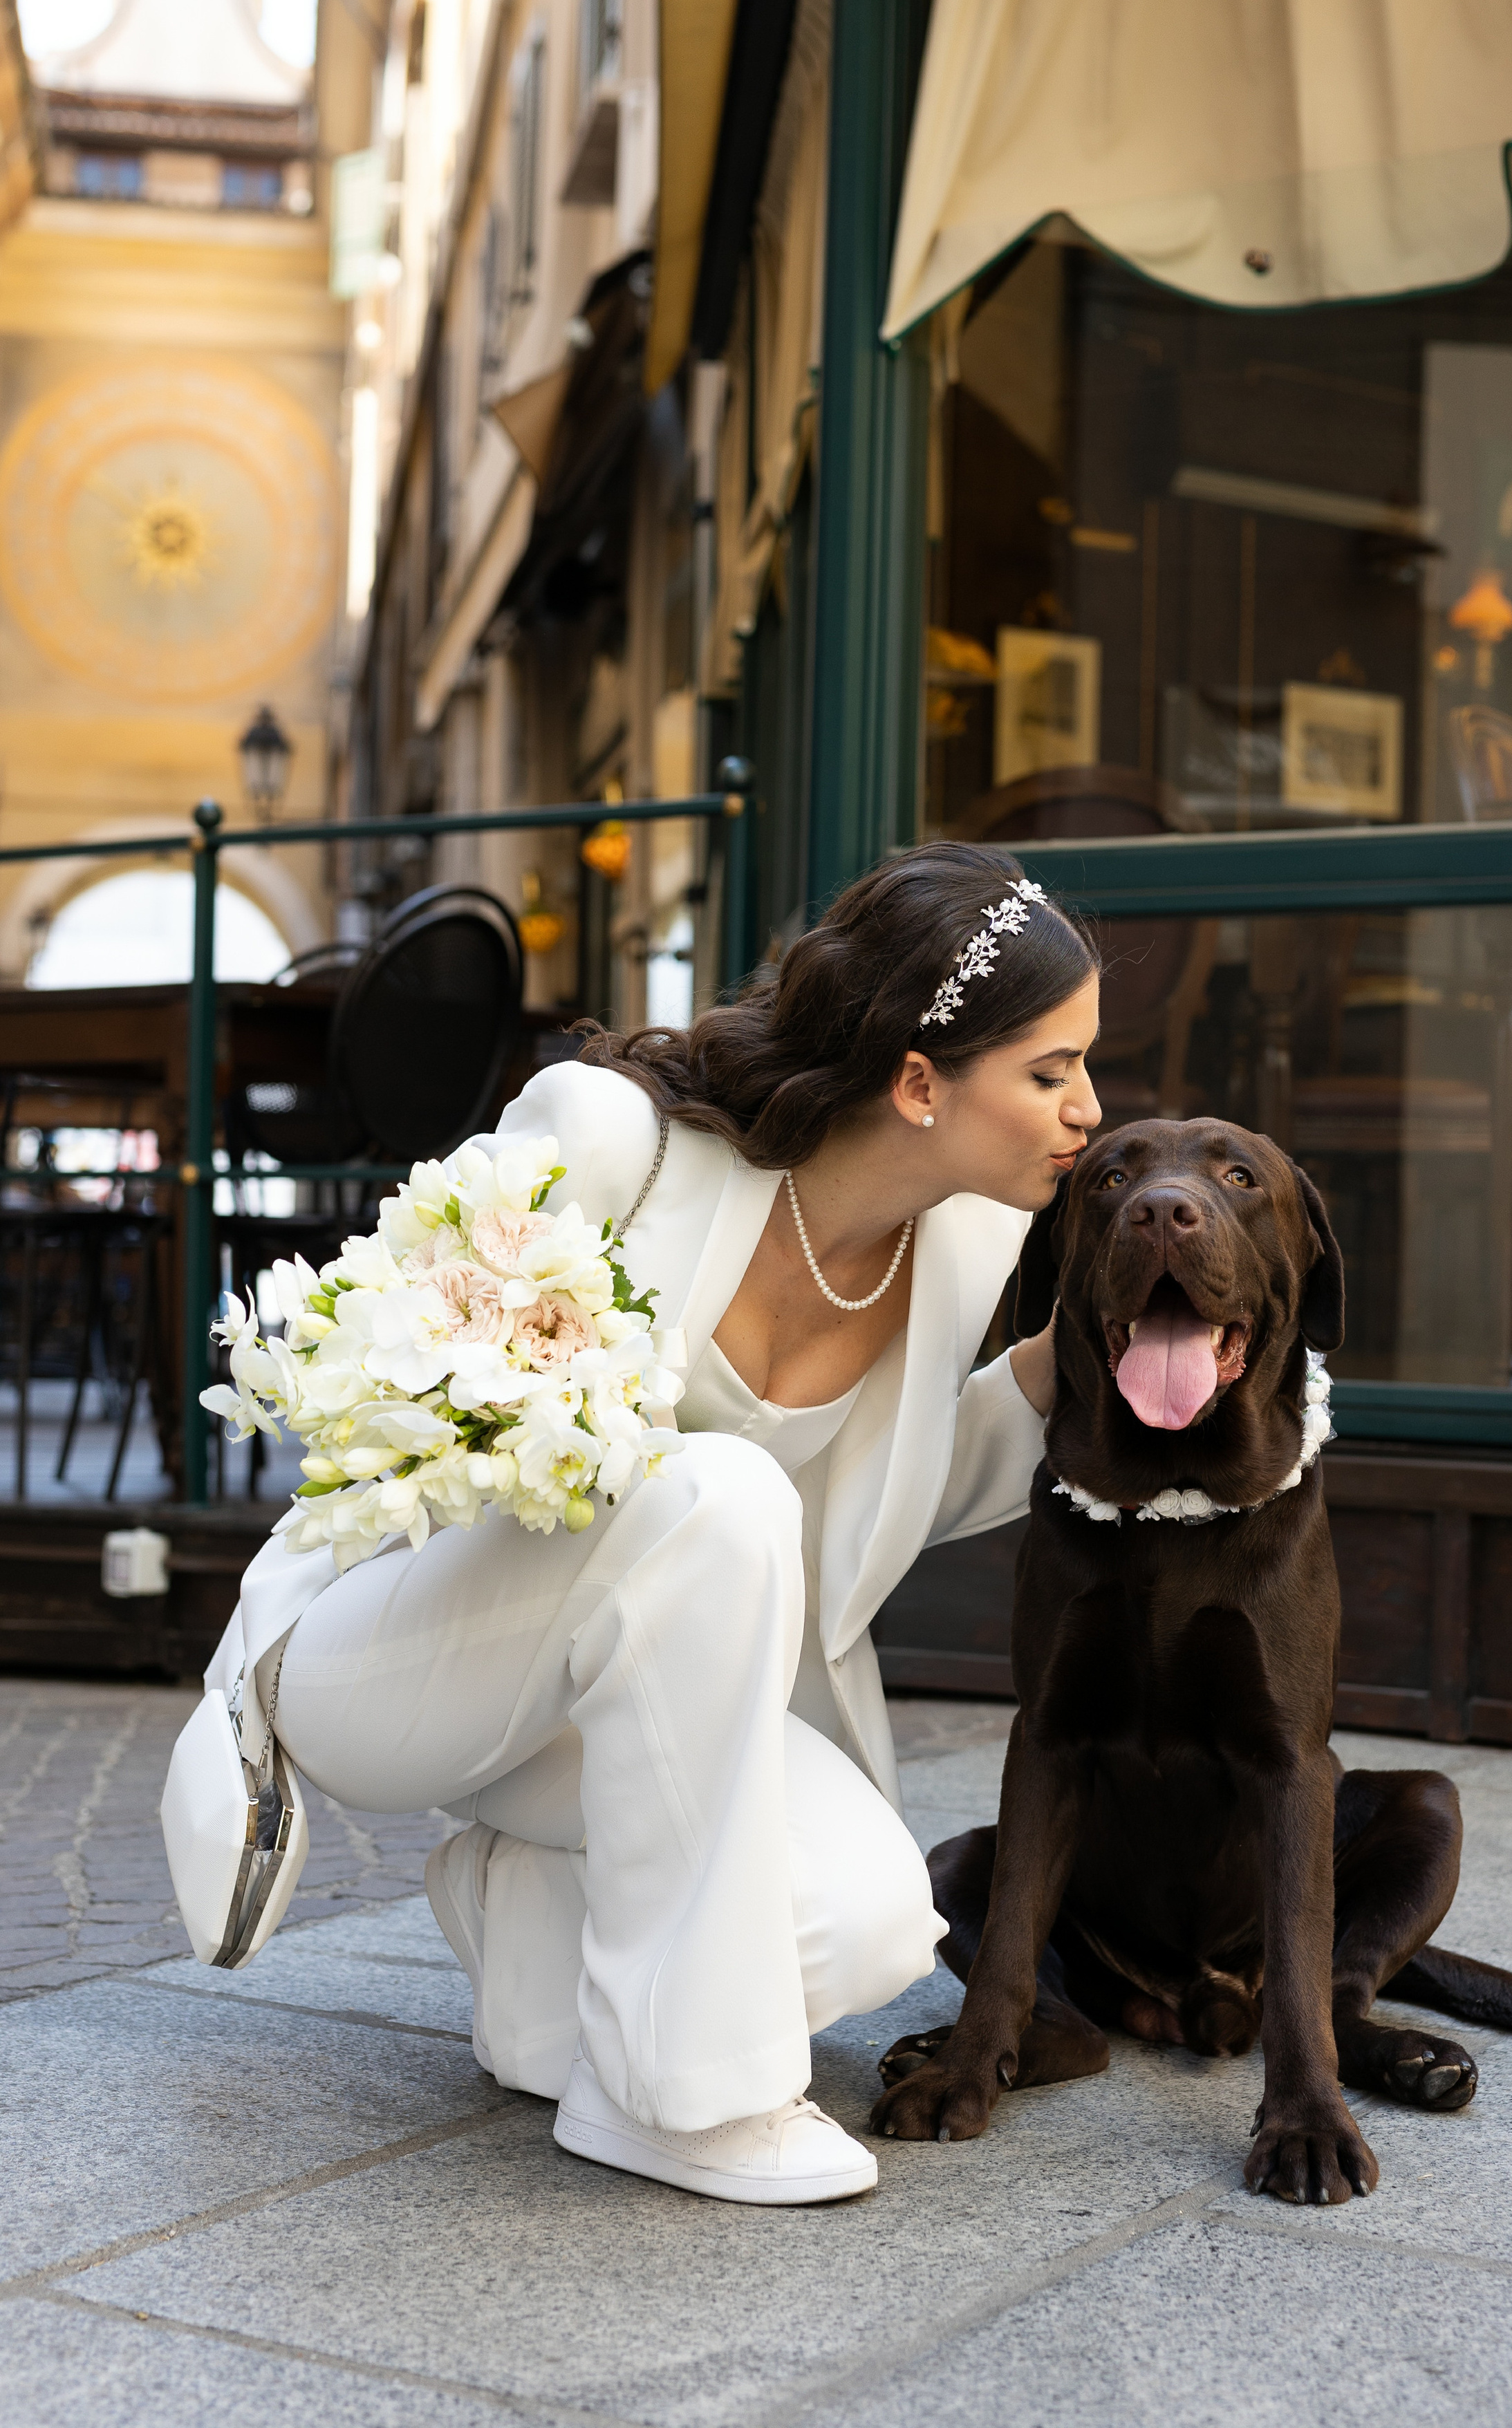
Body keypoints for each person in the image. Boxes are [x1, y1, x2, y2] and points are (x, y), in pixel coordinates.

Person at [207, 843, 1101, 2206]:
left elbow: (907, 1482)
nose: (1086, 1108)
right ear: (920, 1082)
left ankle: (535, 1949)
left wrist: (1077, 1361)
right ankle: (686, 2106)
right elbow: (375, 1373)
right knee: (717, 1490)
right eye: (1048, 1071)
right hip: (400, 1653)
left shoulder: (965, 1240)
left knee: (870, 1922)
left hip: (622, 1722)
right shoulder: (613, 1137)